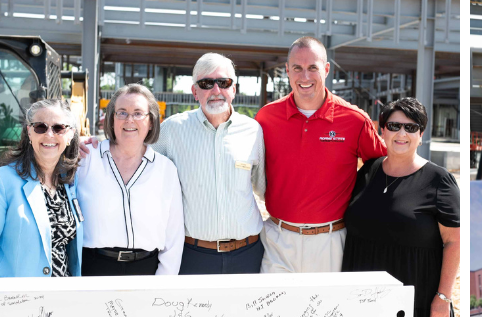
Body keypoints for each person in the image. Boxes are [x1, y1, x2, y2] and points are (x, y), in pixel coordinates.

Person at [255, 36, 387, 273]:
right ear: (287, 70)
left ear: (326, 69)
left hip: (331, 240)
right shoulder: (265, 118)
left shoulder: (354, 120)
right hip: (278, 239)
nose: (305, 77)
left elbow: (385, 169)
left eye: (312, 68)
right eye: (297, 68)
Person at [341, 98, 459, 317]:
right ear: (382, 130)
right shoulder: (368, 172)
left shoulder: (439, 180)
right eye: (394, 126)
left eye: (411, 127)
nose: (401, 133)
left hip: (417, 300)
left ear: (421, 133)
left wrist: (443, 297)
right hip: (364, 300)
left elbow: (454, 242)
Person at [154, 53, 266, 275]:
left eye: (223, 83)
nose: (216, 90)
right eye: (206, 83)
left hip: (248, 254)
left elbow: (262, 187)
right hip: (193, 256)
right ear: (195, 91)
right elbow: (143, 170)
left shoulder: (253, 130)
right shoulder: (172, 130)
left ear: (234, 89)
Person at [75, 84, 184, 276]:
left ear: (151, 121)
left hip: (146, 270)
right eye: (122, 113)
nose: (129, 120)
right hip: (93, 268)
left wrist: (163, 284)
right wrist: (69, 144)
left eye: (138, 113)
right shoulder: (86, 159)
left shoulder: (165, 169)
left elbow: (174, 236)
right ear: (112, 119)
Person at [0, 99, 85, 277]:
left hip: (64, 297)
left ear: (70, 135)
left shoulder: (70, 182)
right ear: (29, 132)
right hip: (21, 299)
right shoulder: (4, 181)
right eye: (40, 127)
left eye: (58, 128)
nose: (49, 135)